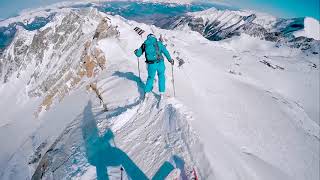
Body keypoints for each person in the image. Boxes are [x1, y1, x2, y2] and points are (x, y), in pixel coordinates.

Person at [134, 34, 174, 98]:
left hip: (151, 64)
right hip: (160, 63)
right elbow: (166, 52)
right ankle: (161, 93)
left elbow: (138, 54)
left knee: (150, 77)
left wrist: (136, 52)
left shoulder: (145, 44)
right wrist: (170, 60)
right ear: (154, 37)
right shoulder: (159, 43)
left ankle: (147, 92)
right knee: (161, 76)